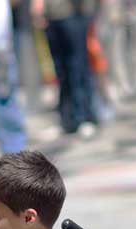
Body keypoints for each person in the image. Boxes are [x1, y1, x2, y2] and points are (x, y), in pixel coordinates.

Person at [31, 0, 99, 137]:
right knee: (60, 70)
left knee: (78, 67)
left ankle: (85, 117)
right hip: (52, 15)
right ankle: (66, 120)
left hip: (74, 14)